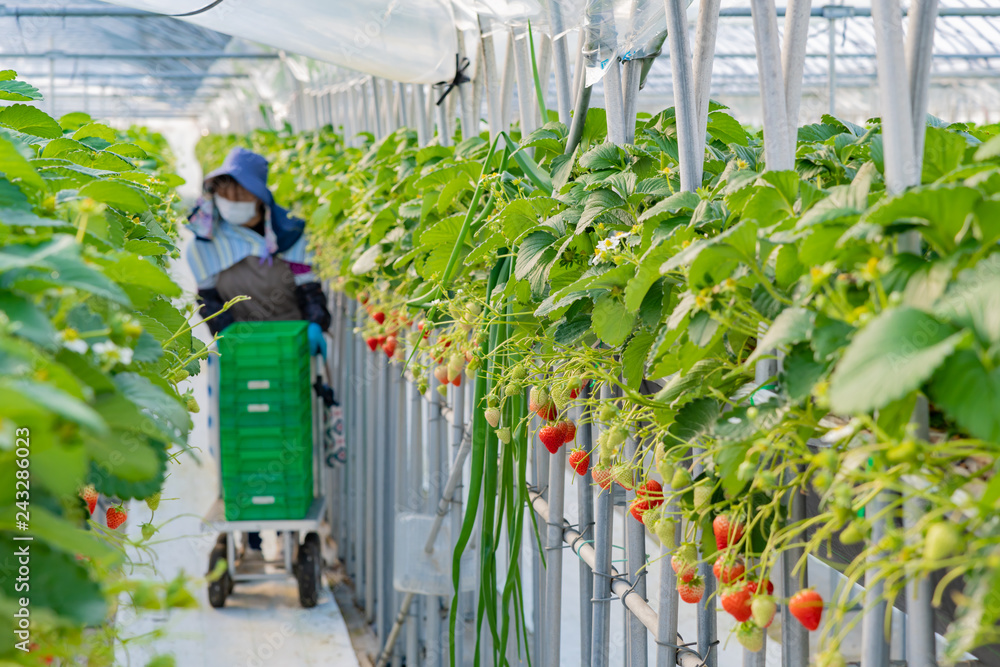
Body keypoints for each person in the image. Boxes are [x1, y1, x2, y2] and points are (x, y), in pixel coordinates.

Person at [186, 147, 331, 562]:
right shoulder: (206, 239)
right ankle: (248, 531)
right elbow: (210, 302)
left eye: (238, 192)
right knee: (241, 435)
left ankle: (287, 525)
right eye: (223, 192)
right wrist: (231, 340)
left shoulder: (288, 237)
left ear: (258, 197)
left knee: (288, 434)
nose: (229, 201)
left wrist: (316, 327)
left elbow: (310, 291)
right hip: (239, 356)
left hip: (290, 353)